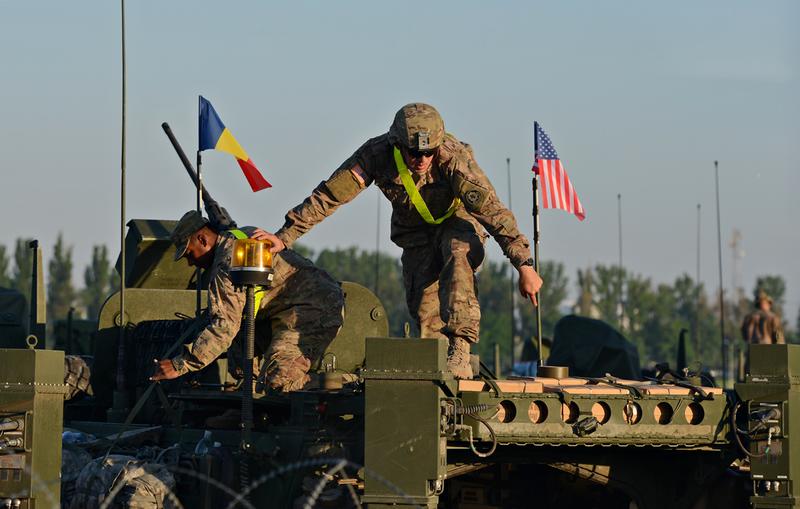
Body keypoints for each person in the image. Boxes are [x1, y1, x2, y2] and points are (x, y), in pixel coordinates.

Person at [268, 103, 543, 379]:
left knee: (458, 251)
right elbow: (330, 195)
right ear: (397, 144)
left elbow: (493, 211)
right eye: (414, 153)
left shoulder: (453, 158)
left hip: (455, 220)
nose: (422, 160)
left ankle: (461, 345)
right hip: (415, 234)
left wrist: (524, 264)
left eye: (428, 153)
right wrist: (285, 235)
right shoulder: (376, 155)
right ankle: (441, 367)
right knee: (425, 310)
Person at [151, 210, 344, 392]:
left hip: (312, 309)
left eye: (189, 254)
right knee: (241, 352)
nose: (191, 263)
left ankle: (349, 385)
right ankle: (248, 405)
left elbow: (224, 327)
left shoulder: (226, 263)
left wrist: (180, 364)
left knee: (278, 382)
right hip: (285, 309)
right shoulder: (239, 235)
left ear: (202, 239)